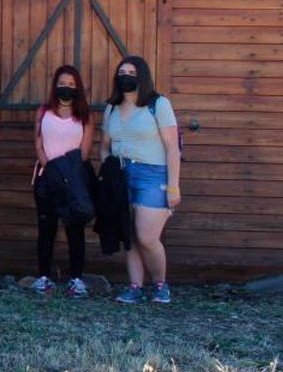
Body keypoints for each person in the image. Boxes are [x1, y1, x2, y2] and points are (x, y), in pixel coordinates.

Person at [101, 56, 181, 305]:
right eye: (122, 71)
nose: (126, 75)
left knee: (146, 237)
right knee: (130, 235)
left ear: (142, 76)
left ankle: (160, 285)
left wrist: (173, 185)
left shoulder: (158, 104)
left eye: (132, 72)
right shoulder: (111, 109)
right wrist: (108, 168)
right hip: (121, 177)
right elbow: (104, 146)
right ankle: (134, 287)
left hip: (153, 175)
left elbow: (172, 148)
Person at [32, 65, 94, 298]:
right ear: (55, 85)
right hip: (47, 179)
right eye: (62, 83)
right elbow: (38, 142)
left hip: (73, 180)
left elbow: (85, 150)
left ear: (76, 87)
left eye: (71, 84)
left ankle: (76, 279)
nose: (66, 88)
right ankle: (44, 277)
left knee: (75, 230)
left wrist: (66, 172)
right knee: (46, 229)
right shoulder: (43, 111)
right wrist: (49, 167)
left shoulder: (85, 116)